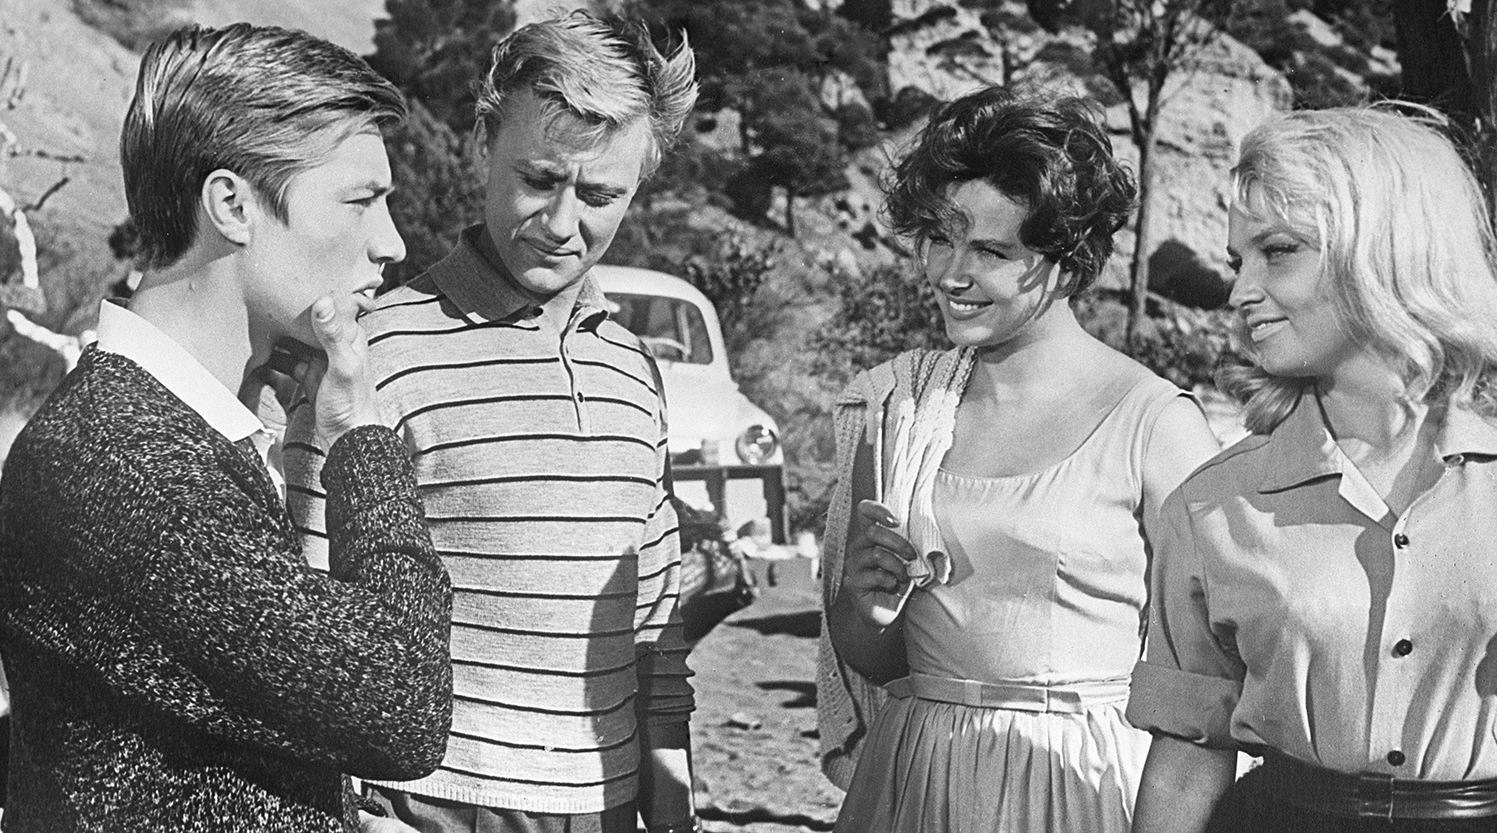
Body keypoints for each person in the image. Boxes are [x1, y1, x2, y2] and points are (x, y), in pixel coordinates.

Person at [0, 22, 453, 833]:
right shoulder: (126, 465)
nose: (391, 243)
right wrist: (360, 436)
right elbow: (403, 702)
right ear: (233, 205)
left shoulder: (158, 432)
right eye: (360, 201)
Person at [285, 12, 700, 833]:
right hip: (428, 805)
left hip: (606, 802)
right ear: (483, 143)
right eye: (539, 179)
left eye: (600, 195)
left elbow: (656, 624)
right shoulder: (374, 352)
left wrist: (674, 808)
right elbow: (308, 608)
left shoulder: (634, 370)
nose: (561, 223)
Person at [815, 86, 1222, 833]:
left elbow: (1207, 672)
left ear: (1066, 261)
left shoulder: (1155, 423)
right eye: (940, 239)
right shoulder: (901, 409)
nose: (951, 274)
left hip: (1076, 784)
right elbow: (879, 658)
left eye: (991, 251)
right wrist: (864, 608)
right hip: (915, 779)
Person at [1127, 106, 1497, 833]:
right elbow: (1188, 757)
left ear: (1384, 250)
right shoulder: (1212, 504)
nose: (1239, 292)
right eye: (1237, 262)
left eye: (1278, 251)